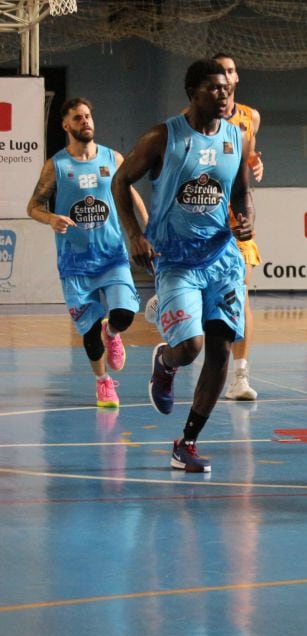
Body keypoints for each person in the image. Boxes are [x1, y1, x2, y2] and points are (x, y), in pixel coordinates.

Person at [112, 58, 254, 473]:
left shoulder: (237, 139)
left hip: (222, 259)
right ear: (192, 94)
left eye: (227, 86)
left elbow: (242, 193)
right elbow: (120, 181)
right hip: (176, 261)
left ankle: (187, 442)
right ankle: (166, 362)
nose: (224, 93)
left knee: (221, 349)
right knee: (189, 349)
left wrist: (247, 219)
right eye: (214, 87)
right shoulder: (163, 137)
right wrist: (134, 234)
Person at [26, 97, 147, 409]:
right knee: (89, 330)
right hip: (75, 262)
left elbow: (131, 197)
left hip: (112, 255)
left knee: (123, 314)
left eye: (88, 116)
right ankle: (103, 382)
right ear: (66, 125)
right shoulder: (57, 166)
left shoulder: (113, 158)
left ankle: (114, 331)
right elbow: (33, 206)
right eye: (78, 118)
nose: (86, 121)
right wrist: (51, 218)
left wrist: (147, 231)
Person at [213, 52, 265, 400]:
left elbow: (249, 158)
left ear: (236, 78)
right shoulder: (196, 119)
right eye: (220, 72)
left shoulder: (250, 118)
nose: (227, 77)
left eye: (231, 71)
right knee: (208, 299)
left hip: (236, 222)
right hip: (201, 221)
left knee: (240, 291)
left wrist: (257, 164)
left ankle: (240, 377)